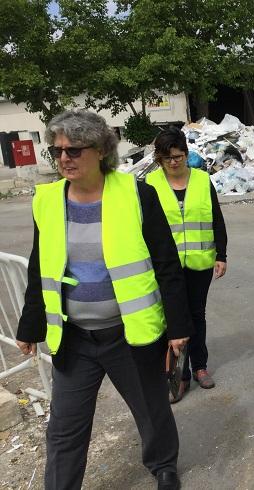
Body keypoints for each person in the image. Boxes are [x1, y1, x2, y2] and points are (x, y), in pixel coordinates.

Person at [15, 110, 192, 490]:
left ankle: (164, 466)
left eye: (75, 150)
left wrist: (179, 326)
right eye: (58, 150)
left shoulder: (136, 194)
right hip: (75, 337)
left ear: (100, 151)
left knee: (150, 408)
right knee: (64, 426)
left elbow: (167, 265)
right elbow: (38, 267)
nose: (64, 158)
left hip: (127, 333)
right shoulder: (46, 201)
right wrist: (30, 325)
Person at [146, 127, 228, 402]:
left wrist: (221, 255)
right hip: (165, 266)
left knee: (197, 316)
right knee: (172, 319)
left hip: (199, 262)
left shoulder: (203, 180)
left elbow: (216, 219)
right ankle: (177, 376)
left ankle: (200, 367)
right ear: (159, 158)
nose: (172, 162)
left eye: (178, 156)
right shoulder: (150, 185)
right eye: (166, 158)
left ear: (186, 154)